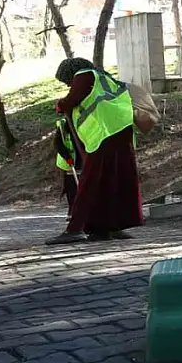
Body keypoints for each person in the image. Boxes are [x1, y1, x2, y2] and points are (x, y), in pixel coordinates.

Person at [47, 57, 144, 245]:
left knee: (90, 181)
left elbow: (71, 100)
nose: (68, 83)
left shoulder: (84, 76)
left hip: (104, 134)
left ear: (70, 72)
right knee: (115, 180)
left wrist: (60, 104)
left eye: (66, 80)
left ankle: (75, 229)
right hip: (121, 131)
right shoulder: (105, 78)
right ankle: (107, 227)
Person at [52, 116, 82, 222]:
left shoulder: (85, 119)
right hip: (70, 162)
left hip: (84, 159)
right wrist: (67, 157)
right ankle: (72, 211)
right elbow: (58, 143)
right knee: (71, 188)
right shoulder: (64, 125)